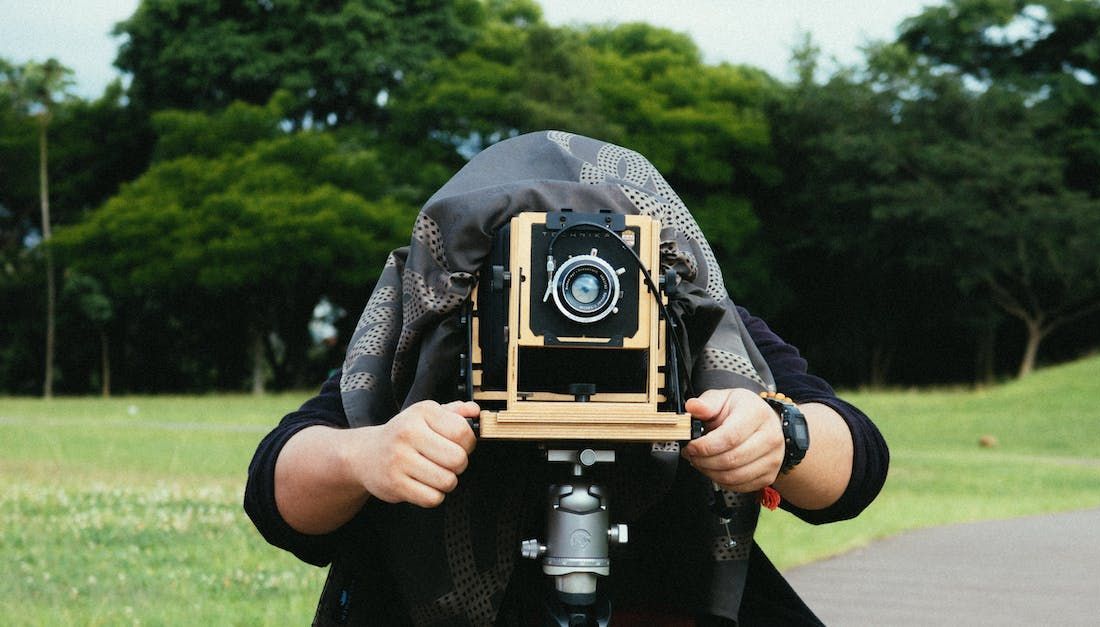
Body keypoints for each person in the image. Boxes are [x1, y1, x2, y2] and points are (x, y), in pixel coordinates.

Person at [244, 131, 888, 625]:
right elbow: (278, 492)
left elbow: (854, 465)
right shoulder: (425, 338)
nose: (578, 297)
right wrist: (366, 455)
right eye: (533, 266)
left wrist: (781, 436)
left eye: (609, 263)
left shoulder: (692, 321)